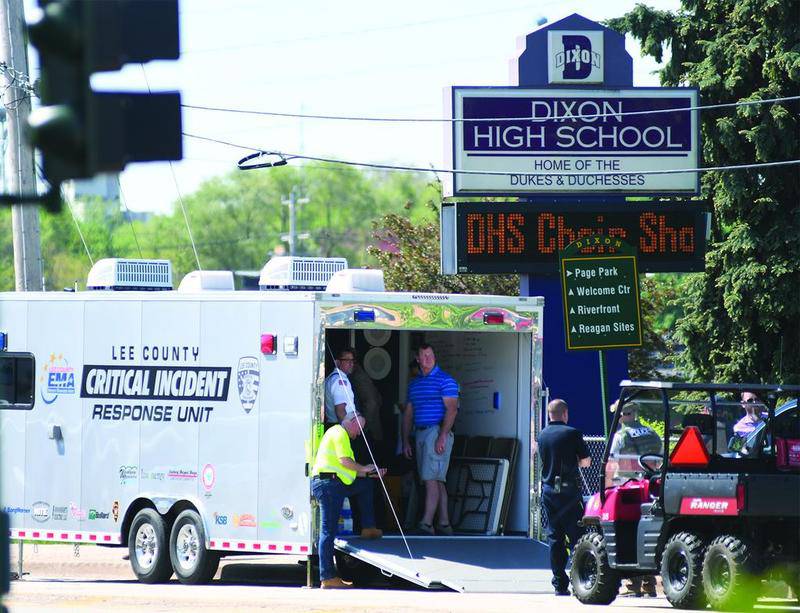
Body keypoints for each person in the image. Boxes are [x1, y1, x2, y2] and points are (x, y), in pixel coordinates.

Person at [310, 413, 386, 589]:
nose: (359, 433)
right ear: (351, 422)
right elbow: (345, 462)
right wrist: (364, 468)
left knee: (366, 484)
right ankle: (327, 577)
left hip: (335, 482)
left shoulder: (342, 436)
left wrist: (369, 472)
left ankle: (368, 527)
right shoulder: (338, 432)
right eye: (359, 429)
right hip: (329, 484)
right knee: (328, 531)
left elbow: (349, 471)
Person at [402, 343, 459, 536]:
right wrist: (405, 440)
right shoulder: (415, 384)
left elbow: (452, 409)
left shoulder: (445, 380)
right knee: (436, 479)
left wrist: (442, 436)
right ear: (417, 359)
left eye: (430, 355)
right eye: (423, 355)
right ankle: (444, 523)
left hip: (436, 432)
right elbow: (408, 414)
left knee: (429, 478)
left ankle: (426, 523)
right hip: (420, 433)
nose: (427, 359)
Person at [536, 399, 591, 596]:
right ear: (565, 413)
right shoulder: (573, 433)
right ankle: (581, 578)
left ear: (550, 414)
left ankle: (559, 583)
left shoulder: (541, 435)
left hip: (549, 491)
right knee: (577, 536)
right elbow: (585, 462)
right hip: (569, 492)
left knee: (554, 536)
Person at [607, 400, 662, 597]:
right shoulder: (651, 432)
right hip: (651, 486)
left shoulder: (621, 436)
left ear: (623, 415)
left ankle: (633, 585)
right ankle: (650, 584)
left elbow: (616, 463)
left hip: (629, 487)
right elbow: (658, 460)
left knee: (628, 531)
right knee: (648, 531)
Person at [324, 348, 357, 426]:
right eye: (347, 360)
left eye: (352, 361)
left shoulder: (332, 377)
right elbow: (340, 411)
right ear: (337, 362)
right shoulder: (339, 380)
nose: (351, 364)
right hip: (341, 427)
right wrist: (350, 429)